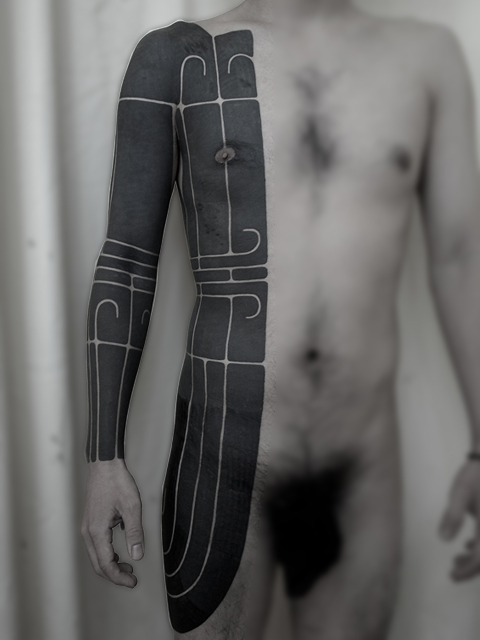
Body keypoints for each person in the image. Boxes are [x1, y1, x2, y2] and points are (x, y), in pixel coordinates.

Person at [81, 0, 480, 638]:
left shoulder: (427, 60)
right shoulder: (178, 57)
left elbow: (460, 260)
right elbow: (128, 260)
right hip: (227, 453)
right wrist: (104, 458)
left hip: (362, 464)